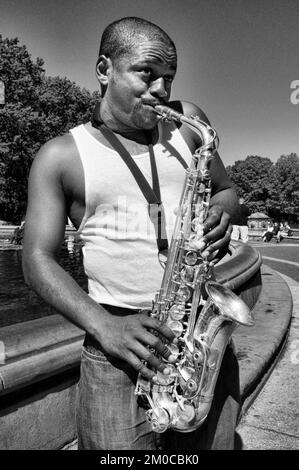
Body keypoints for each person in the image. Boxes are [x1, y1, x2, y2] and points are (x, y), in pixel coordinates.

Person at [22, 17, 241, 450]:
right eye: (147, 72)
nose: (162, 88)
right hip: (116, 349)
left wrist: (222, 210)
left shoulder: (189, 124)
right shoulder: (60, 156)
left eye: (169, 77)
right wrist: (104, 326)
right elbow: (36, 259)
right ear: (104, 69)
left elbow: (228, 189)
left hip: (197, 337)